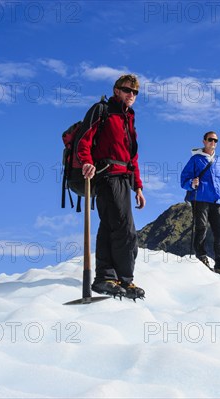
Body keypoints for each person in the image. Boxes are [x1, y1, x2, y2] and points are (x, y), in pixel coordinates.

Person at [77, 74, 146, 300]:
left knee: (109, 226)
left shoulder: (129, 118)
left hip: (124, 178)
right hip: (106, 176)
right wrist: (87, 161)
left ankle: (106, 277)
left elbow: (132, 156)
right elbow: (84, 139)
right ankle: (124, 280)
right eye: (127, 90)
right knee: (124, 229)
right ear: (116, 90)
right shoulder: (102, 110)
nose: (131, 95)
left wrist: (138, 186)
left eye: (135, 92)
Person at [181, 131, 220, 277]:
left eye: (216, 141)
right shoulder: (195, 159)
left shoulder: (219, 160)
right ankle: (201, 256)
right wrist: (192, 183)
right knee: (201, 228)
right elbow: (183, 179)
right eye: (210, 140)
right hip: (200, 198)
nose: (213, 143)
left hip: (216, 201)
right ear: (204, 141)